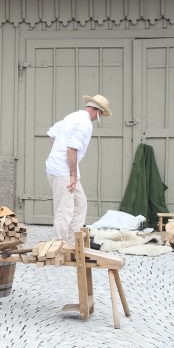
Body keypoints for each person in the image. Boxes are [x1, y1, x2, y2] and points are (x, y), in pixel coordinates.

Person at [45, 94, 111, 241]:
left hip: (59, 167)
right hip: (63, 172)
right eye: (100, 115)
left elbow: (52, 133)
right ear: (98, 111)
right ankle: (61, 245)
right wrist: (72, 175)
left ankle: (74, 242)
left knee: (80, 204)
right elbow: (71, 150)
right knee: (65, 209)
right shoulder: (85, 124)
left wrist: (57, 153)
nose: (97, 118)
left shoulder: (73, 116)